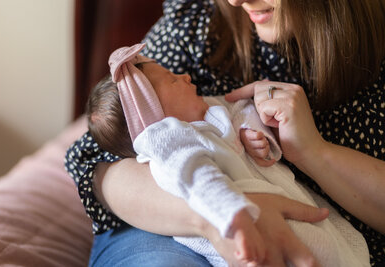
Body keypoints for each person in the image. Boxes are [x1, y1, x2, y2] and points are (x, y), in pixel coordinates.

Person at [65, 0, 385, 266]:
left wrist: (314, 152)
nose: (234, 1)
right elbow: (95, 154)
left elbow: (241, 121)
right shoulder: (201, 21)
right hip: (173, 220)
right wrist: (212, 215)